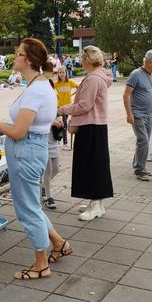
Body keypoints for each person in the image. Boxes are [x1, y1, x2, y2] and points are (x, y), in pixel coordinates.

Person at [0, 38, 71, 280]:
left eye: (18, 53)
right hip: (30, 149)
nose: (15, 56)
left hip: (26, 150)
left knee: (27, 210)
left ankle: (41, 264)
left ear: (29, 60)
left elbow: (18, 132)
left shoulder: (36, 89)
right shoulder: (40, 85)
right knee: (32, 204)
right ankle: (59, 244)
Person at [58, 45, 113, 221]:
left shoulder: (93, 79)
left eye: (82, 58)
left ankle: (96, 204)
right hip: (95, 126)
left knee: (92, 166)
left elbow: (84, 105)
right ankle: (96, 203)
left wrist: (62, 110)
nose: (81, 61)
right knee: (96, 165)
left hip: (91, 126)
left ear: (87, 60)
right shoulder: (98, 77)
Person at [123, 50, 152, 181]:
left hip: (149, 114)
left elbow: (150, 93)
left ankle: (139, 166)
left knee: (144, 142)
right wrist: (129, 114)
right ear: (149, 62)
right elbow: (126, 95)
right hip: (138, 114)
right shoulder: (135, 75)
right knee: (143, 140)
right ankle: (139, 169)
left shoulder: (151, 74)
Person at [41, 117, 63, 210]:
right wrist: (51, 123)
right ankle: (49, 197)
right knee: (48, 171)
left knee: (56, 169)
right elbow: (37, 124)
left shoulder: (55, 108)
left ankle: (42, 186)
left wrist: (60, 122)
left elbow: (60, 120)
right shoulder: (42, 108)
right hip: (44, 143)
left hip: (54, 143)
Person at [54, 67, 77, 149]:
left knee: (64, 124)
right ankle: (59, 141)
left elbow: (79, 87)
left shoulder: (70, 82)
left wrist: (73, 94)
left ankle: (64, 143)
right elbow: (49, 89)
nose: (61, 74)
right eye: (60, 72)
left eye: (63, 72)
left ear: (66, 73)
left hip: (67, 107)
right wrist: (55, 95)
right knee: (59, 124)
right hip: (59, 106)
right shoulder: (56, 83)